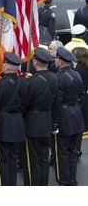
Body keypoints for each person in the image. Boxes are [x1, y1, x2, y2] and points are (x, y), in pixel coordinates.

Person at [23, 47, 60, 186]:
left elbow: (25, 103)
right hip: (47, 121)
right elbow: (57, 102)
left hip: (33, 123)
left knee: (32, 160)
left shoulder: (33, 82)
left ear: (36, 62)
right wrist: (55, 123)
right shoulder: (54, 78)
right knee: (43, 159)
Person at [0, 52, 28, 186]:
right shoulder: (23, 82)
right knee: (13, 161)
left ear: (6, 67)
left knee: (1, 163)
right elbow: (25, 102)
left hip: (3, 127)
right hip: (18, 124)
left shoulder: (0, 84)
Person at [54, 47, 86, 186]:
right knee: (73, 152)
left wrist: (54, 123)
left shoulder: (58, 77)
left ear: (60, 61)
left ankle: (64, 182)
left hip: (64, 118)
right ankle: (72, 180)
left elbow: (57, 102)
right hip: (76, 116)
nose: (55, 60)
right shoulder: (77, 74)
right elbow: (82, 95)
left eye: (56, 58)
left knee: (62, 152)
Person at [71, 47, 88, 160]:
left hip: (80, 100)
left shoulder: (77, 71)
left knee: (76, 125)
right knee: (82, 126)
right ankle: (78, 149)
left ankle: (75, 149)